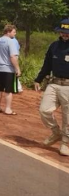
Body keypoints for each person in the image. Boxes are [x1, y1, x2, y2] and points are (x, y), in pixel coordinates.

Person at [34, 18, 69, 156]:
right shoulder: (54, 46)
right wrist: (38, 79)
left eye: (67, 32)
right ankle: (56, 132)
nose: (65, 34)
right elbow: (47, 65)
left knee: (67, 117)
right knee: (44, 110)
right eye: (62, 32)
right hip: (54, 83)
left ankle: (65, 143)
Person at [0, 24, 20, 115]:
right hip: (8, 69)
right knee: (8, 90)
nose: (15, 34)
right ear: (8, 31)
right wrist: (17, 69)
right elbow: (13, 57)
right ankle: (8, 109)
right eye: (14, 32)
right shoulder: (10, 42)